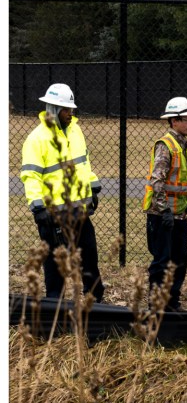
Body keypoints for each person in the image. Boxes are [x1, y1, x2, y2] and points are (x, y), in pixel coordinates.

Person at [19, 83, 105, 301]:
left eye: (71, 110)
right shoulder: (37, 139)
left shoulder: (76, 131)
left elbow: (83, 163)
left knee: (89, 258)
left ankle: (94, 301)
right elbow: (31, 176)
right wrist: (38, 207)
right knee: (55, 265)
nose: (71, 113)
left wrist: (92, 186)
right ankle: (54, 306)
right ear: (54, 110)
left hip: (80, 212)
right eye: (67, 110)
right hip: (53, 217)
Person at [143, 96, 187, 312]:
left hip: (179, 216)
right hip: (162, 217)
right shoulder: (165, 146)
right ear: (174, 121)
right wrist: (165, 210)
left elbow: (186, 184)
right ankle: (156, 305)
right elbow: (157, 181)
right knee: (162, 261)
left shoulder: (184, 147)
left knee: (179, 261)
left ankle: (172, 303)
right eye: (186, 119)